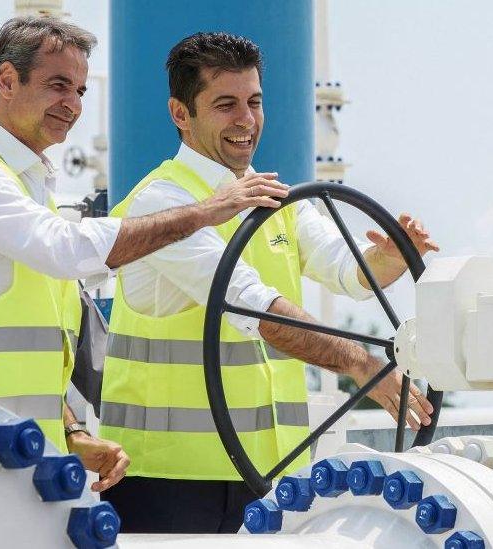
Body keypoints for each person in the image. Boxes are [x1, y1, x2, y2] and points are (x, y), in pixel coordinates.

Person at [0, 18, 290, 494]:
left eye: (81, 90)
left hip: (12, 463)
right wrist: (204, 212)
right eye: (58, 85)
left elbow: (31, 360)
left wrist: (71, 433)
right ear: (7, 81)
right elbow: (66, 250)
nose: (72, 104)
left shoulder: (29, 185)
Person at [99, 32, 440, 532]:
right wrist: (363, 363)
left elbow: (347, 269)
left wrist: (384, 259)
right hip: (168, 480)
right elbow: (251, 307)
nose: (246, 120)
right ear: (180, 113)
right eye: (225, 104)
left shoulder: (276, 201)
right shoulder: (164, 206)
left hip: (269, 478)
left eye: (254, 102)